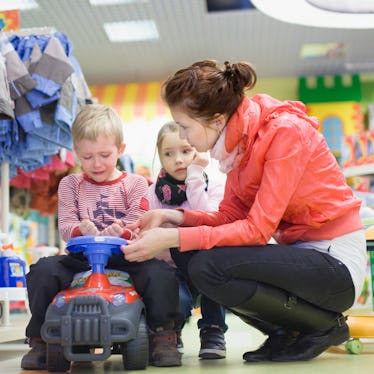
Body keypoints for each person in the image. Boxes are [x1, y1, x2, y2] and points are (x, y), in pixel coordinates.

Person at [121, 60, 367, 363]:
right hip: (306, 259)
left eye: (185, 127)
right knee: (192, 256)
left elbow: (256, 230)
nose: (183, 138)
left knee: (207, 265)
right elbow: (228, 217)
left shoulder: (283, 133)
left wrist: (171, 237)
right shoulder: (241, 144)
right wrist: (176, 218)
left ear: (215, 119)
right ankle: (283, 332)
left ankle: (324, 327)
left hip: (335, 265)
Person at [21, 104, 182, 370]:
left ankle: (162, 336)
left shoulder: (135, 183)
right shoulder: (70, 184)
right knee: (42, 271)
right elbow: (66, 224)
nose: (96, 164)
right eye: (87, 157)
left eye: (105, 155)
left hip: (126, 256)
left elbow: (138, 220)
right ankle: (40, 338)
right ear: (76, 155)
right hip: (81, 258)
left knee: (160, 274)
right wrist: (80, 230)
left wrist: (123, 230)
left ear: (120, 150)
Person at [149, 121, 227, 358]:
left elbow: (208, 219)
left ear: (197, 150)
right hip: (171, 267)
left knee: (215, 271)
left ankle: (213, 330)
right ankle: (173, 330)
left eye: (185, 151)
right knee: (177, 299)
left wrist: (194, 178)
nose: (179, 160)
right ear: (160, 157)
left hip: (205, 262)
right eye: (169, 154)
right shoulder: (153, 192)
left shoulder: (213, 184)